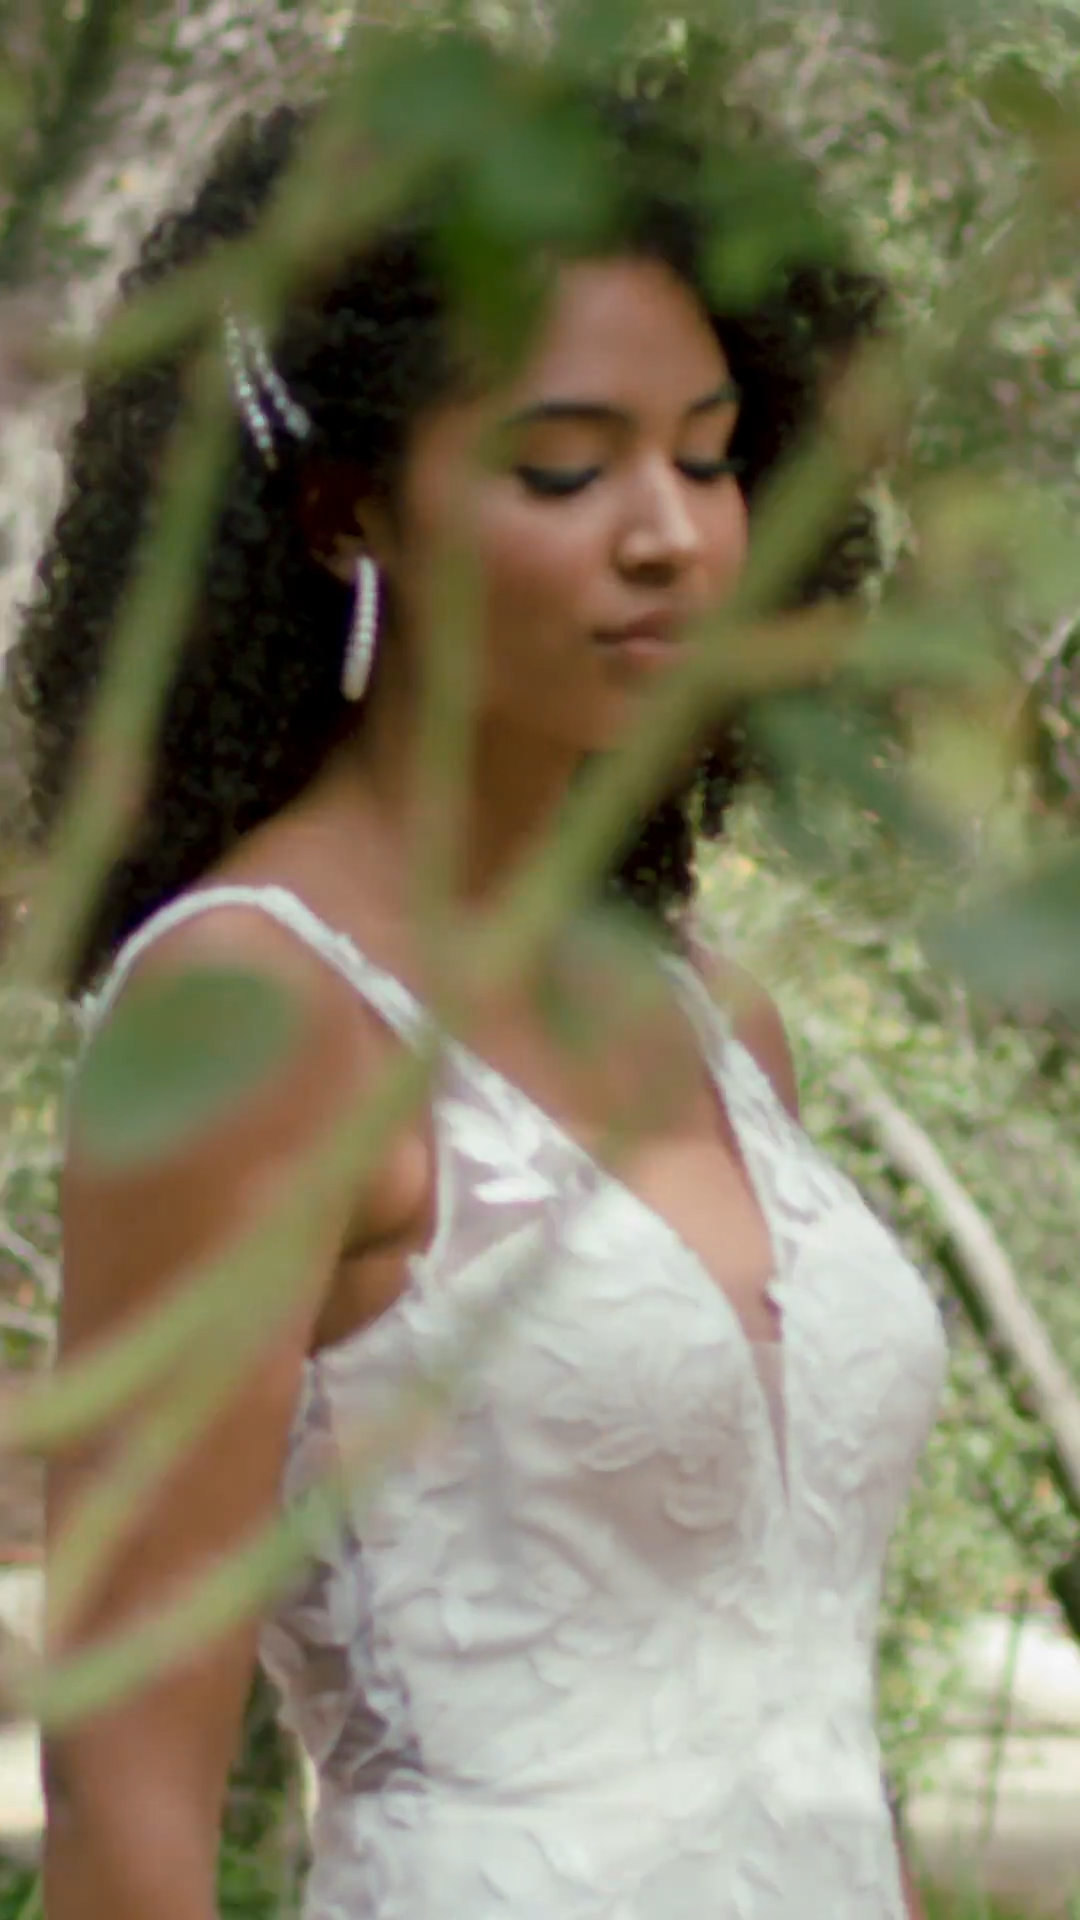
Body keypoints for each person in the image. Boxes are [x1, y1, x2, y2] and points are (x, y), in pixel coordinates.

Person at [12, 45, 945, 1920]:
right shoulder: (252, 1013)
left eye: (709, 454)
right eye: (565, 466)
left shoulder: (715, 1015)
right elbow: (126, 1815)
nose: (670, 532)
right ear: (342, 513)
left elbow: (802, 1736)